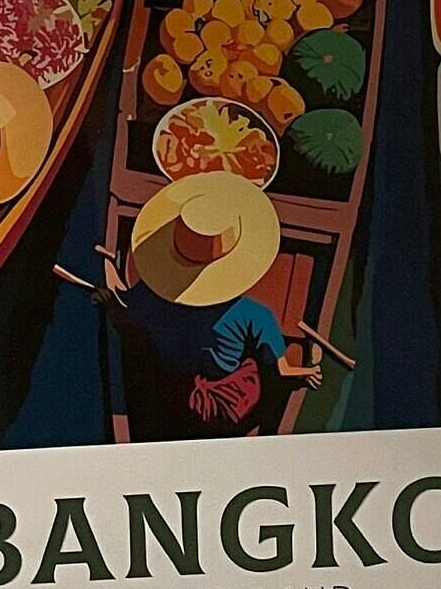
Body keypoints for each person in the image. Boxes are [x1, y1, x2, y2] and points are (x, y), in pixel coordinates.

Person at [99, 173, 320, 435]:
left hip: (171, 389)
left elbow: (124, 303)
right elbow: (281, 370)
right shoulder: (256, 315)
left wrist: (109, 273)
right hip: (224, 406)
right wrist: (306, 373)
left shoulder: (147, 296)